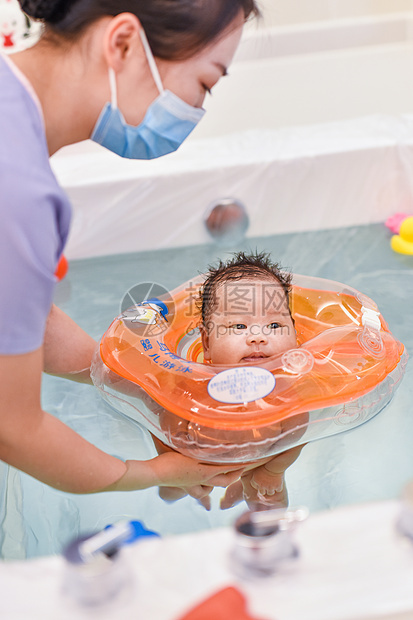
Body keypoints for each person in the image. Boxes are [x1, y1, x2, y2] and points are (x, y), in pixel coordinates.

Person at [0, 0, 259, 498]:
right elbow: (14, 428)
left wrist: (146, 386)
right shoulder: (20, 193)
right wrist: (152, 474)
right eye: (205, 84)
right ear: (122, 43)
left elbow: (21, 313)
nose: (197, 111)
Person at [154, 251, 307, 509]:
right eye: (238, 326)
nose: (258, 337)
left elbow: (297, 436)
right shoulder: (191, 386)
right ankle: (199, 492)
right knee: (169, 493)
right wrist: (181, 463)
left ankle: (249, 487)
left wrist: (272, 470)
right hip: (197, 464)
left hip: (261, 461)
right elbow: (163, 425)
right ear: (206, 343)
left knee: (272, 501)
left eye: (274, 325)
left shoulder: (286, 391)